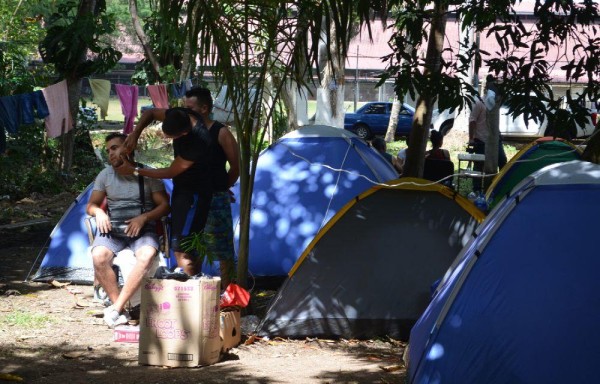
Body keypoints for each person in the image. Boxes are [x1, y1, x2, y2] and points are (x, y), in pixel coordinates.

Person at [87, 132, 170, 328]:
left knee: (147, 255)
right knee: (98, 256)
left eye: (115, 148)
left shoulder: (147, 174)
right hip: (113, 230)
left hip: (141, 230)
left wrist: (144, 217)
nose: (111, 154)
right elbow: (91, 205)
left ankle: (116, 309)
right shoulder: (105, 175)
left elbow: (165, 206)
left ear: (129, 148)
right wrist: (99, 212)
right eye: (108, 151)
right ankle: (121, 309)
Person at [120, 107, 213, 277]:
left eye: (170, 137)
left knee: (182, 247)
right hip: (182, 189)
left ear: (184, 133)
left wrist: (135, 170)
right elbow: (151, 113)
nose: (166, 139)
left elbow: (170, 172)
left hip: (194, 195)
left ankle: (189, 292)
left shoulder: (198, 141)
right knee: (183, 243)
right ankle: (190, 288)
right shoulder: (180, 114)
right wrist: (135, 133)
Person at [184, 87, 240, 290]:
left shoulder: (221, 131)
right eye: (184, 108)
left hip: (216, 199)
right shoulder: (186, 132)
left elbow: (236, 167)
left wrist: (221, 187)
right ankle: (194, 289)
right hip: (191, 198)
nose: (186, 112)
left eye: (190, 108)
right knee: (193, 245)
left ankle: (229, 293)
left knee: (223, 248)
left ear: (205, 108)